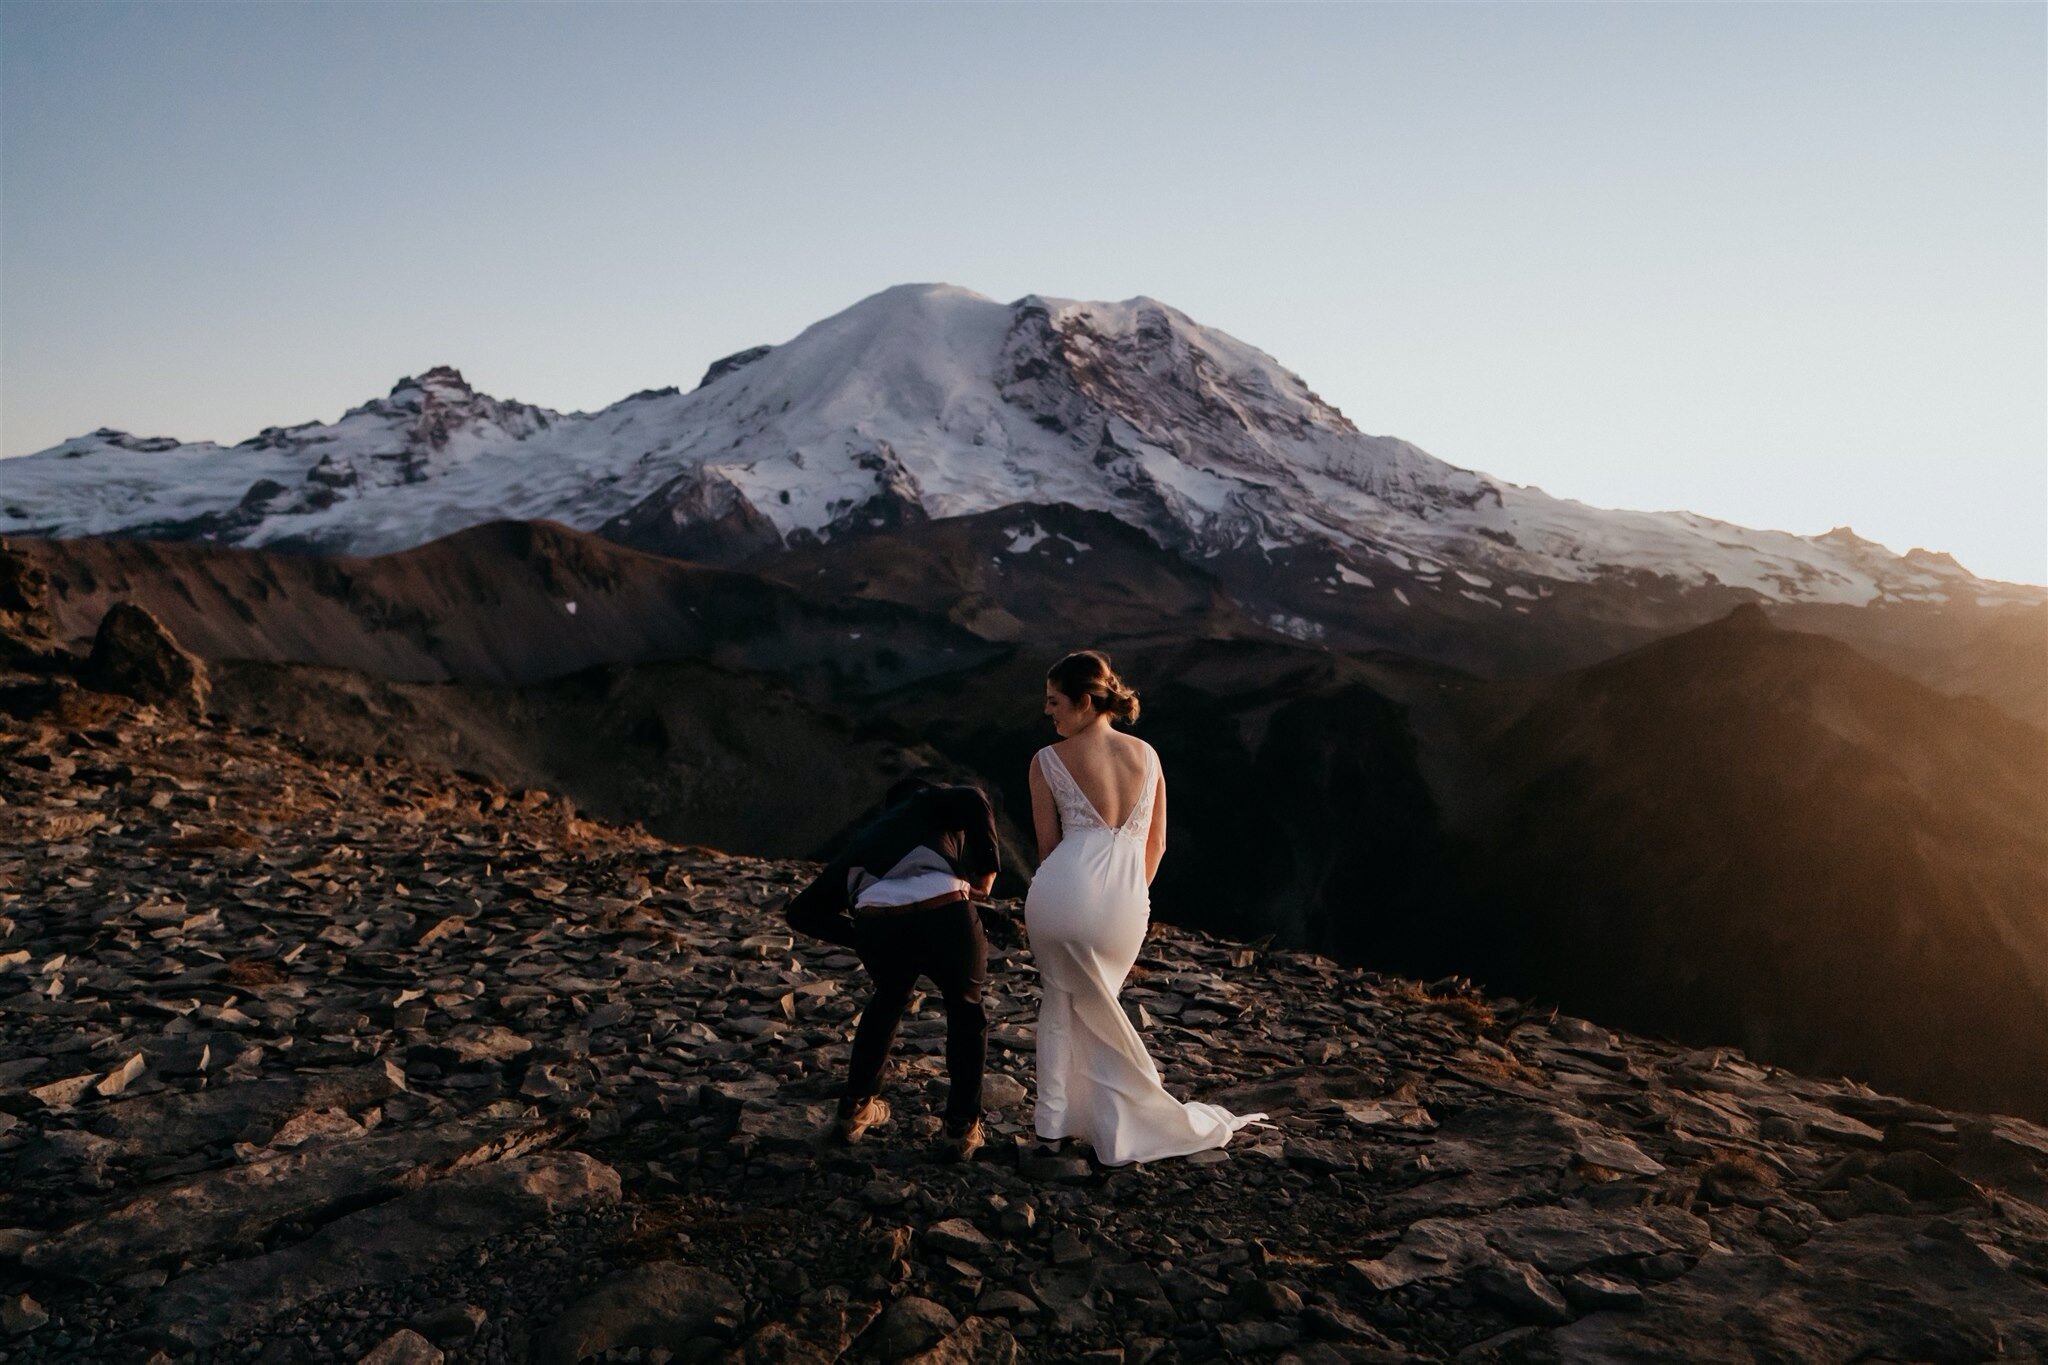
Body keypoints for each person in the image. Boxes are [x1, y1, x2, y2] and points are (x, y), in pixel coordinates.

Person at [1024, 650, 1269, 1165]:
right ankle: (1105, 1122)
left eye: (1055, 702)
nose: (1049, 713)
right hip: (1127, 901)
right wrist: (1130, 894)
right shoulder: (1148, 756)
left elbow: (1047, 849)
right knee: (1100, 1006)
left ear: (1086, 702)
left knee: (1059, 1004)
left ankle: (1051, 1128)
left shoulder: (1047, 760)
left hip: (1060, 892)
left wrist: (1066, 890)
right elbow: (1156, 846)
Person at [785, 775, 1001, 1161]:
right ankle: (960, 1128)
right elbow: (973, 795)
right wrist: (987, 869)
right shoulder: (929, 802)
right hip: (945, 911)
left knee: (888, 999)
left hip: (878, 922)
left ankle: (855, 1109)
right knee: (966, 1008)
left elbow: (800, 913)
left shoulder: (861, 844)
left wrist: (861, 935)